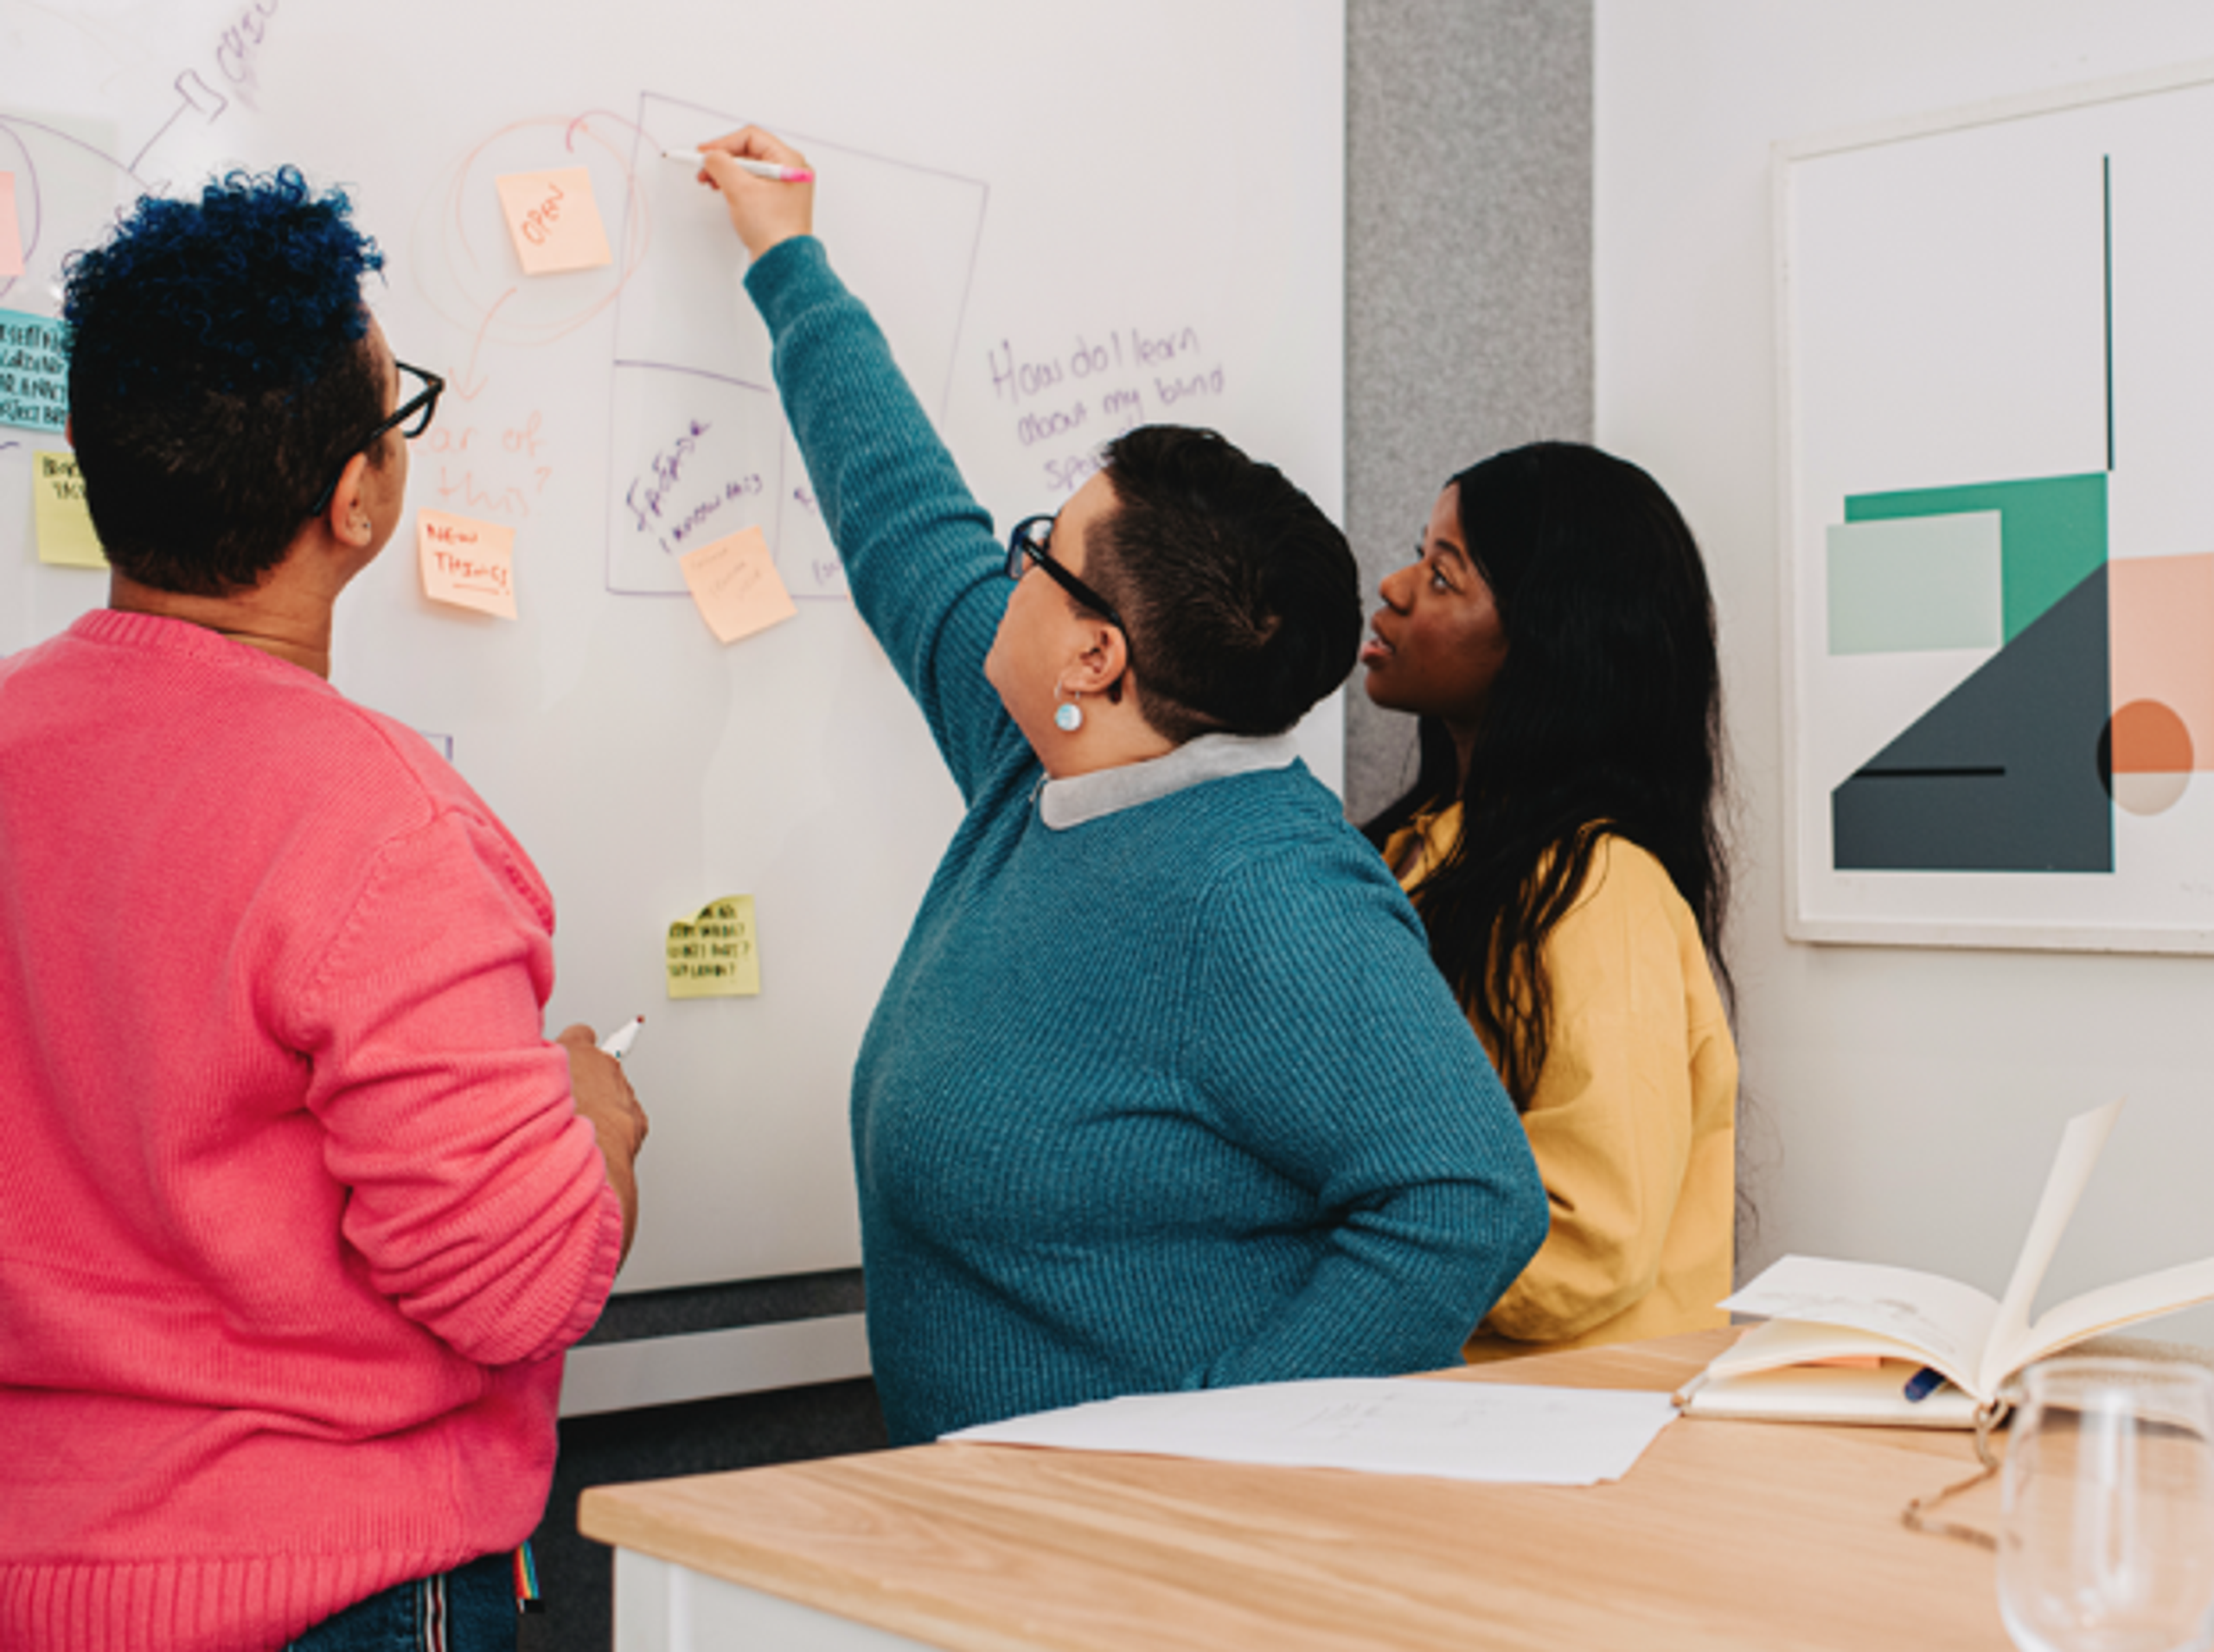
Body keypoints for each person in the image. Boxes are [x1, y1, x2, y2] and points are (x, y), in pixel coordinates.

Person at [690, 127, 1548, 1446]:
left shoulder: (1266, 888)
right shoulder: (1043, 760)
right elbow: (906, 518)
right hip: (986, 1538)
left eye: (1042, 548)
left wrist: (1211, 1453)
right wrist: (789, 256)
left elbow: (1467, 1195)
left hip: (1143, 1579)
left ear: (1097, 654)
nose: (1009, 563)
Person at [0, 170, 648, 1652]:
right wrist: (595, 1125)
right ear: (358, 499)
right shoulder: (383, 824)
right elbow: (520, 1281)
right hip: (334, 1590)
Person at [1360, 443, 1738, 1360]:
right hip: (1428, 1412)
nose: (1394, 584)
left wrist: (1332, 1258)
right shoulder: (1408, 852)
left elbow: (1587, 1234)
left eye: (1443, 575)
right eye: (1421, 552)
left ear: (1545, 641)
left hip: (1560, 1436)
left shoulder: (1601, 891)